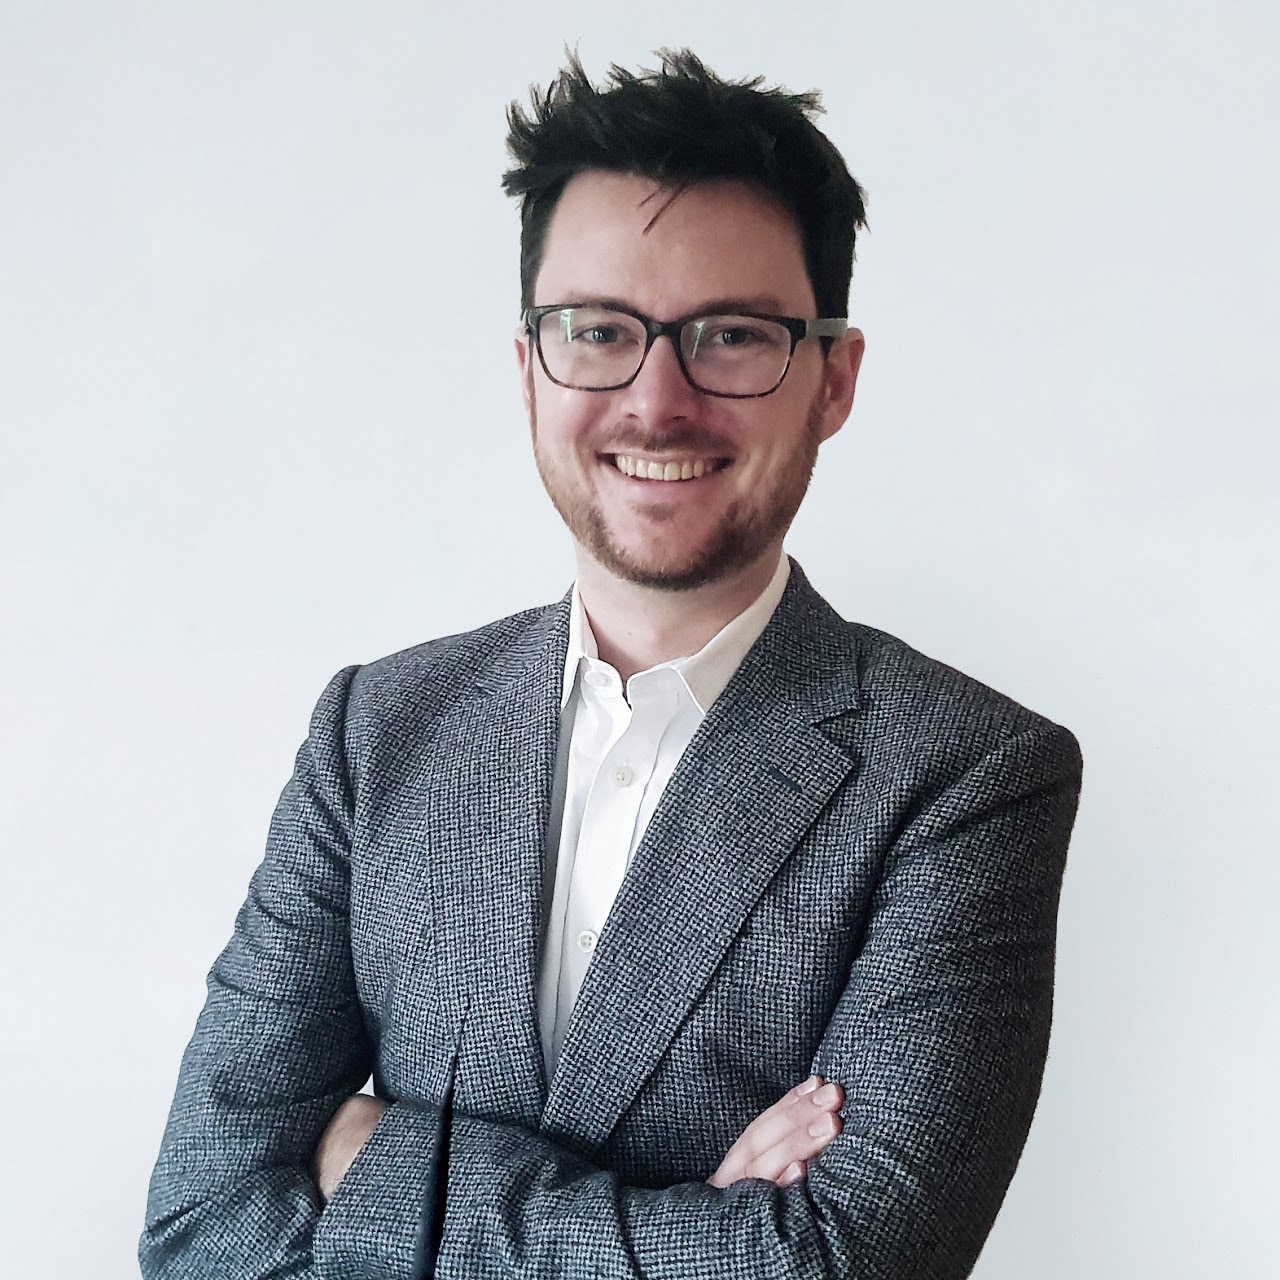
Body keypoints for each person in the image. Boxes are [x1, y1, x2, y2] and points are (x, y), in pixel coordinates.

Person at [141, 49, 1082, 1280]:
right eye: (598, 332)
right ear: (528, 369)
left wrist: (378, 1164)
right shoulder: (376, 729)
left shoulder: (964, 772)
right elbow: (199, 1226)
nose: (656, 401)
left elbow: (845, 1262)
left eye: (731, 335)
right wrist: (701, 1229)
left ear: (832, 380)